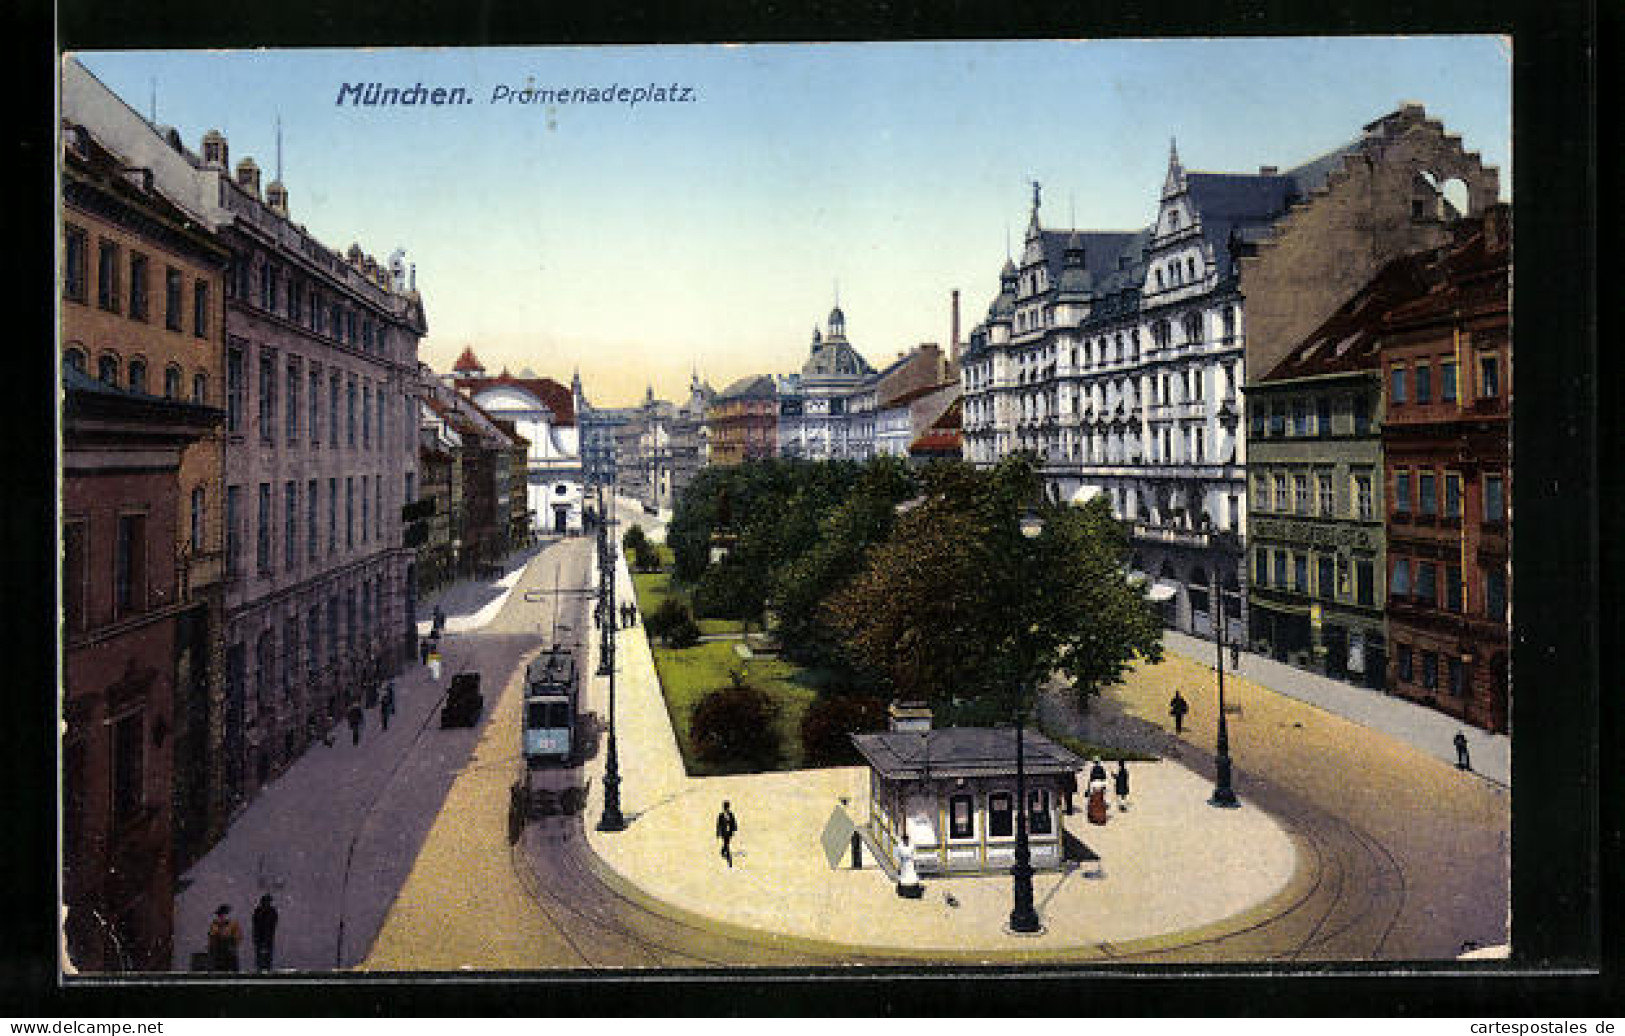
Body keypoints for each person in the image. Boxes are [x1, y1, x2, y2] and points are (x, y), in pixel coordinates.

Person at [206, 904, 242, 972]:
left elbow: (237, 937)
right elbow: (211, 937)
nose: (221, 917)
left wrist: (232, 943)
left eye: (223, 914)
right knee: (219, 969)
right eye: (220, 915)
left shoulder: (233, 924)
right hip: (218, 953)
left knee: (232, 968)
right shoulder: (215, 924)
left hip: (229, 951)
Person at [250, 894, 278, 973]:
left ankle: (265, 969)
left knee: (266, 955)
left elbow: (272, 924)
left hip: (266, 936)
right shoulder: (259, 911)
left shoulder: (271, 911)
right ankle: (261, 969)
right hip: (262, 936)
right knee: (262, 955)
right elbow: (256, 924)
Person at [716, 801, 738, 867]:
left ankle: (723, 850)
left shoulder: (731, 814)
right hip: (724, 832)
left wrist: (734, 829)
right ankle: (729, 860)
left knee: (726, 843)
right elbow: (719, 825)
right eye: (725, 807)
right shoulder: (721, 815)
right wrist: (718, 832)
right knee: (727, 844)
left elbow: (734, 822)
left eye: (727, 807)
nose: (727, 809)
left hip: (729, 832)